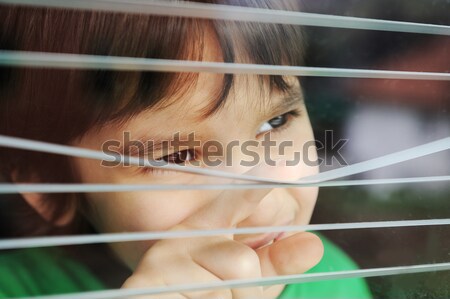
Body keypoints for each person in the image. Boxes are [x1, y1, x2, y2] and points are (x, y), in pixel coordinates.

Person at [0, 1, 372, 298]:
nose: (263, 208)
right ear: (49, 188)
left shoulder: (333, 281)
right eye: (176, 156)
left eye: (275, 122)